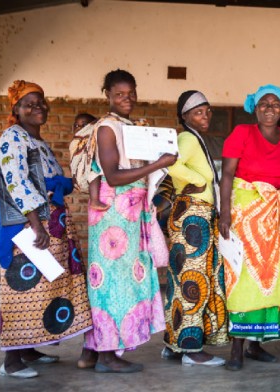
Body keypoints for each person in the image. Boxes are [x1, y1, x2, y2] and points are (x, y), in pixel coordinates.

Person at [0, 80, 93, 378]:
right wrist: (36, 224)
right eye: (29, 104)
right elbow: (17, 183)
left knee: (44, 286)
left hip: (49, 220)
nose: (37, 108)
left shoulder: (36, 140)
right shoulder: (12, 138)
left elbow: (49, 179)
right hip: (26, 224)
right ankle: (11, 361)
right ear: (16, 110)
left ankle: (29, 349)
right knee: (22, 289)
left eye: (40, 102)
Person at [83, 69, 176, 373]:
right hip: (113, 216)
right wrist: (160, 163)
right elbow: (112, 175)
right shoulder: (108, 128)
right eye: (119, 94)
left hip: (130, 213)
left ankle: (101, 352)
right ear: (107, 95)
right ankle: (108, 355)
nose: (127, 99)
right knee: (112, 282)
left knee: (126, 280)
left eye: (131, 93)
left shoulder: (131, 127)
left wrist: (156, 161)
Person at [218, 84, 280, 371]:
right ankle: (236, 349)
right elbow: (227, 174)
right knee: (243, 278)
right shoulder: (242, 133)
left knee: (271, 279)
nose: (269, 108)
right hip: (244, 212)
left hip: (274, 218)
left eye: (275, 104)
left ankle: (256, 344)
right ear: (254, 107)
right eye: (263, 103)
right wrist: (224, 214)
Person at [161, 90, 227, 367]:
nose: (205, 116)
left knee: (184, 280)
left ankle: (173, 345)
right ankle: (191, 349)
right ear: (185, 117)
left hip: (194, 216)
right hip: (192, 217)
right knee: (193, 281)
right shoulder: (187, 138)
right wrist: (198, 179)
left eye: (207, 111)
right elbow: (171, 162)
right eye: (198, 112)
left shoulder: (196, 139)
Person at [72, 113, 109, 212]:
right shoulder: (76, 140)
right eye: (76, 125)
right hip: (85, 165)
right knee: (93, 173)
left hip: (92, 163)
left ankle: (94, 199)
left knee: (93, 173)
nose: (79, 128)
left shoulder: (94, 135)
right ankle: (94, 199)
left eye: (84, 125)